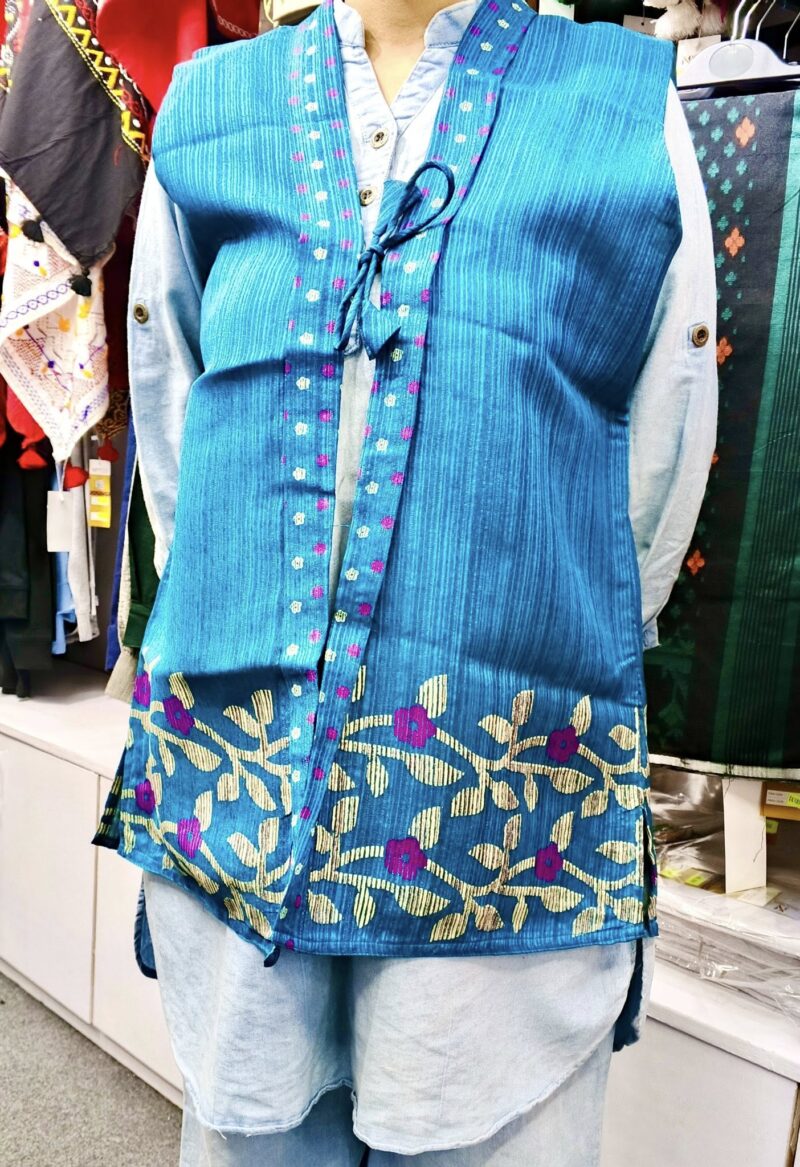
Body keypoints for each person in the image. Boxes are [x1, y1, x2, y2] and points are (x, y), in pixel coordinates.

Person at [93, 0, 718, 1163]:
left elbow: (655, 452)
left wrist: (523, 635)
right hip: (247, 757)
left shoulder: (624, 108)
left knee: (473, 1117)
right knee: (256, 1121)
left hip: (493, 777)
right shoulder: (212, 107)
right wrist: (251, 603)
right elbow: (176, 410)